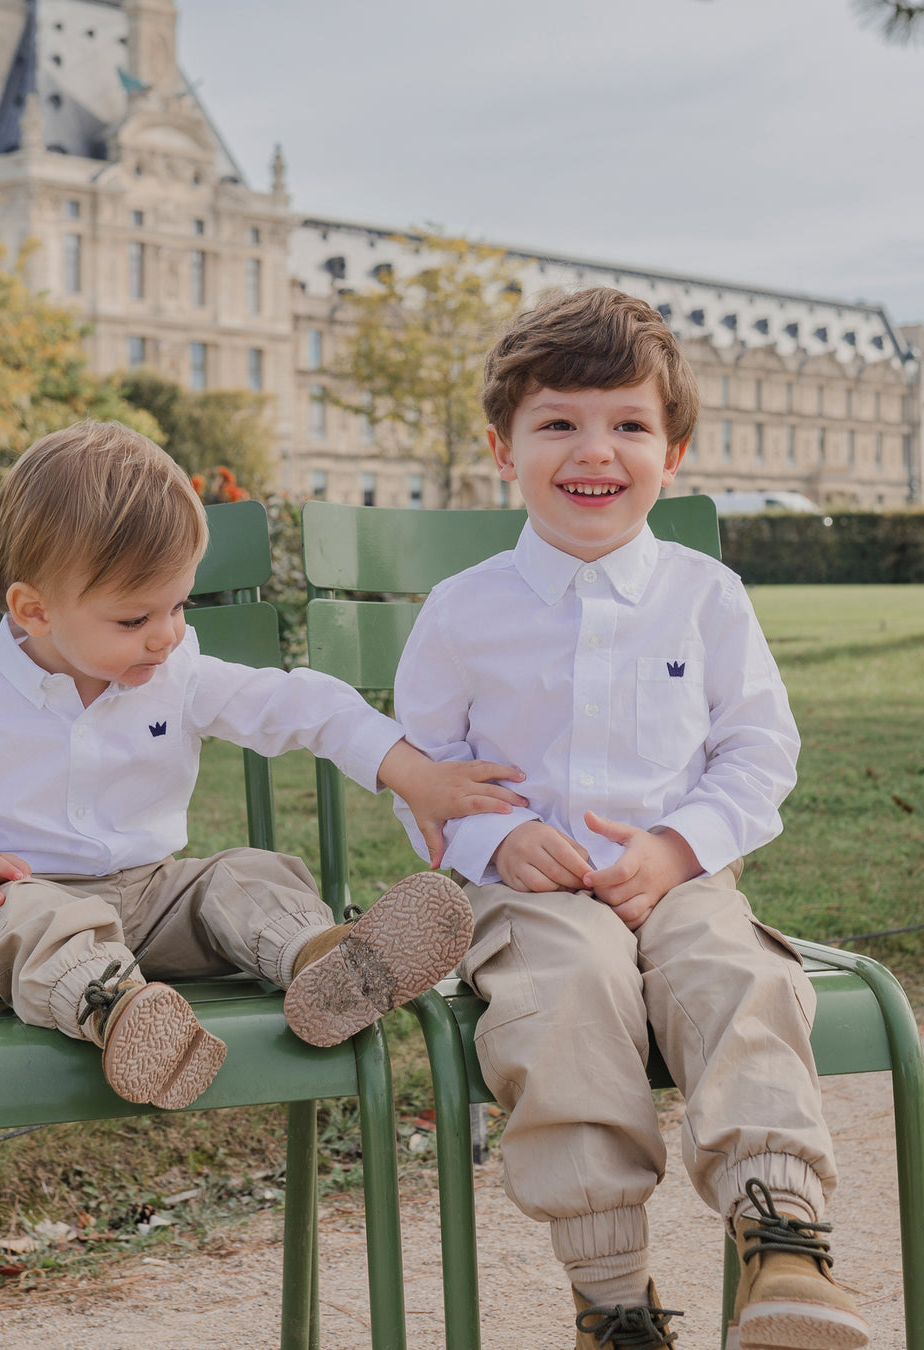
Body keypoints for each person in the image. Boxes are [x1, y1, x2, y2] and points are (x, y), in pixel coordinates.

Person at [392, 288, 869, 1350]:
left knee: (737, 974)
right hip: (534, 895)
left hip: (686, 880)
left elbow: (760, 750)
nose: (592, 451)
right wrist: (494, 839)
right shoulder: (465, 610)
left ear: (675, 450)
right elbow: (421, 771)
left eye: (628, 425)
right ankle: (612, 1301)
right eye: (558, 422)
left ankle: (782, 1239)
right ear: (502, 446)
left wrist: (679, 845)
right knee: (570, 992)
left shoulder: (706, 596)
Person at [0, 421, 529, 1114]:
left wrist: (409, 771)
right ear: (35, 611)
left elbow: (297, 705)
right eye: (134, 619)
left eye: (178, 604)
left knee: (246, 874)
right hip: (19, 911)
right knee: (23, 922)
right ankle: (119, 1013)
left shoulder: (173, 673)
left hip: (152, 900)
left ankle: (322, 960)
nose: (168, 633)